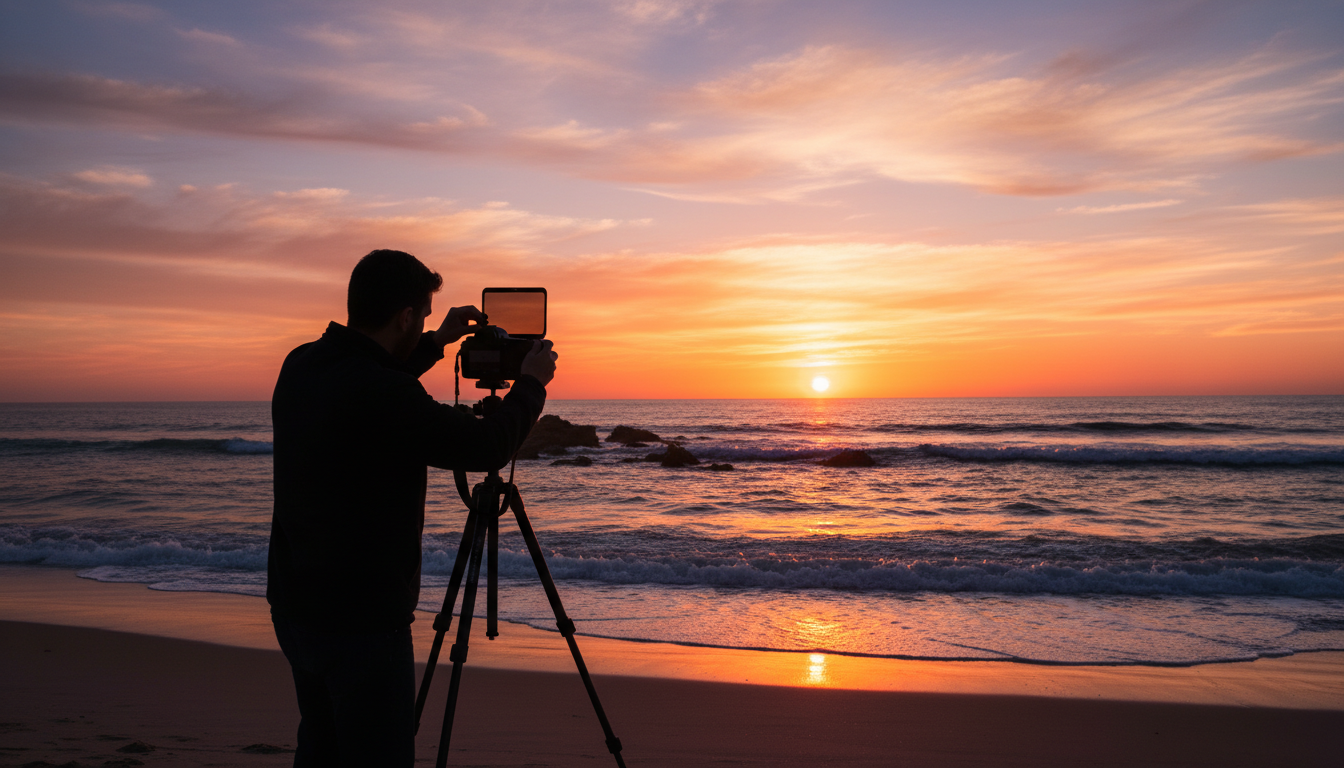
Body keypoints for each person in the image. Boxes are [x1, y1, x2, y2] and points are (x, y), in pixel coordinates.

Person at [267, 249, 555, 767]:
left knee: (321, 745)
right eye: (420, 316)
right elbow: (486, 447)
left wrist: (438, 341)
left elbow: (370, 375)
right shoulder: (386, 393)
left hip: (295, 607)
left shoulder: (301, 365)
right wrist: (531, 385)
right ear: (404, 316)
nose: (423, 323)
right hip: (361, 624)